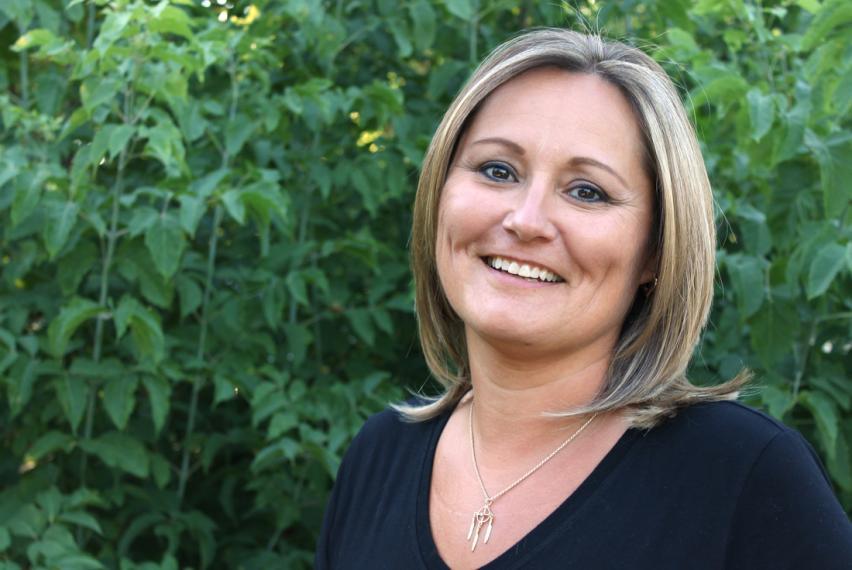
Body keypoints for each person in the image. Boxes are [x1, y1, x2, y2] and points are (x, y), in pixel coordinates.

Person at [316, 28, 852, 569]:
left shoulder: (744, 477)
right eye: (497, 170)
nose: (525, 221)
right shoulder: (379, 456)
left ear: (654, 252)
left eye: (586, 191)